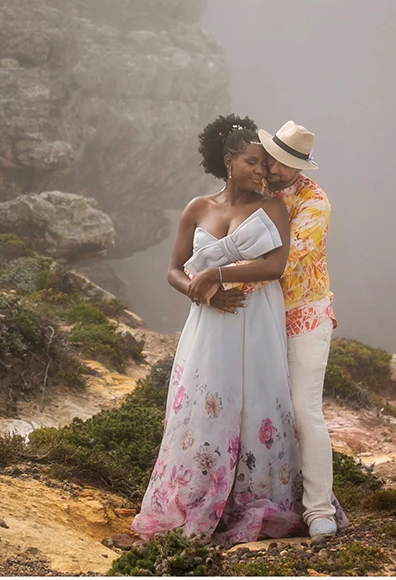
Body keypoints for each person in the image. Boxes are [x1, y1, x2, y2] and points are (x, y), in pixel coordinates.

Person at [131, 114, 305, 548]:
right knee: (208, 404)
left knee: (255, 402)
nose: (262, 172)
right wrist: (203, 291)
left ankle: (251, 499)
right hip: (210, 322)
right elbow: (173, 270)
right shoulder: (198, 208)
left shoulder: (272, 208)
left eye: (266, 165)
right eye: (252, 162)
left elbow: (275, 265)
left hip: (256, 316)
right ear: (228, 161)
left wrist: (218, 274)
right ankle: (196, 497)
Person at [257, 119, 342, 540]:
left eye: (284, 163)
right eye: (273, 157)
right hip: (262, 312)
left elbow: (287, 258)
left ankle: (319, 511)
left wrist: (222, 275)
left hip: (305, 313)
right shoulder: (260, 190)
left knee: (305, 409)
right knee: (262, 408)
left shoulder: (315, 202)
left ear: (300, 168)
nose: (274, 167)